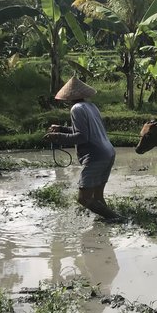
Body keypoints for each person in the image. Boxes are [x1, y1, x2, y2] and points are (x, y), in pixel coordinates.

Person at [44, 76, 121, 219]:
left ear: (68, 97)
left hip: (95, 156)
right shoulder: (91, 106)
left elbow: (81, 137)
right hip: (108, 153)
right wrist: (61, 129)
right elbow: (83, 131)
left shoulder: (76, 109)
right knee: (97, 198)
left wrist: (57, 137)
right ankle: (109, 223)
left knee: (83, 198)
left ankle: (116, 219)